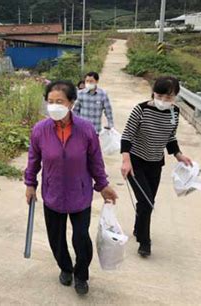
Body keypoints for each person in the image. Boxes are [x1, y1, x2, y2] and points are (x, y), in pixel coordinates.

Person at [25, 80, 118, 295]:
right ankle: (65, 268)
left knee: (80, 237)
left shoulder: (86, 129)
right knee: (56, 237)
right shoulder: (40, 130)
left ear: (71, 103)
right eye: (50, 102)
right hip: (53, 192)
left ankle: (81, 274)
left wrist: (103, 185)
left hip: (80, 193)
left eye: (60, 101)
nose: (54, 106)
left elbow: (96, 161)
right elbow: (33, 160)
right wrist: (30, 184)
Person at [120, 76, 192, 258]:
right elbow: (127, 136)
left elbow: (170, 137)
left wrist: (179, 155)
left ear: (175, 97)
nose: (163, 101)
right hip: (135, 162)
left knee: (148, 202)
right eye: (159, 96)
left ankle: (138, 228)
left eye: (168, 98)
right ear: (153, 92)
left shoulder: (174, 112)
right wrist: (126, 161)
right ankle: (145, 242)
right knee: (147, 202)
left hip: (155, 163)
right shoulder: (141, 109)